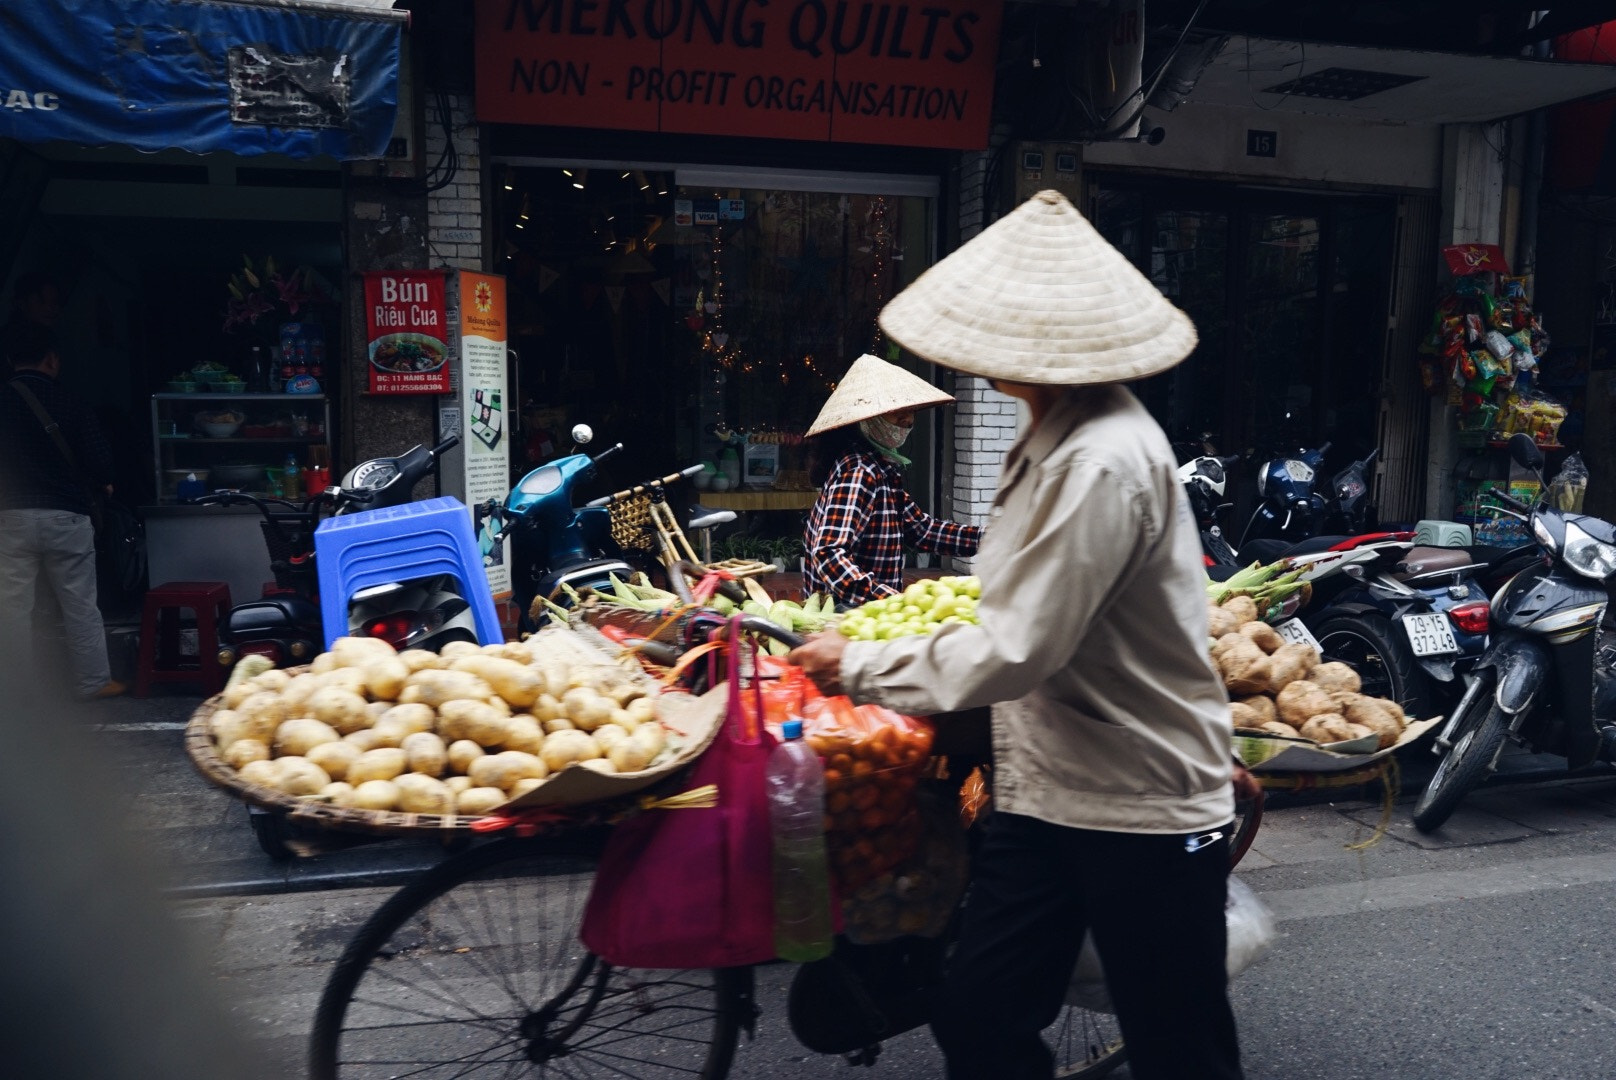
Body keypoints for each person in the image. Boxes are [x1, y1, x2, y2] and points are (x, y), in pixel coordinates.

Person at [790, 191, 1254, 1080]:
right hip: (1045, 791)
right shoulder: (1043, 436)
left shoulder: (1099, 459)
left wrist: (859, 660)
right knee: (977, 1013)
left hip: (1138, 802)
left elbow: (1014, 648)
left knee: (1180, 1047)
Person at [0, 323, 125, 700]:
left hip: (11, 517)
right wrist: (102, 481)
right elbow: (102, 464)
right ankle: (94, 682)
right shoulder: (70, 402)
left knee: (12, 608)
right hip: (66, 517)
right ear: (53, 360)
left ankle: (16, 694)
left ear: (9, 361)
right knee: (80, 604)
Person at [802, 353, 981, 606]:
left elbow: (922, 530)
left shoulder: (881, 470)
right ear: (867, 417)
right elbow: (829, 554)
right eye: (897, 411)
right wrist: (890, 601)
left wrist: (990, 539)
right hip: (849, 618)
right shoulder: (859, 471)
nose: (907, 419)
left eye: (910, 411)